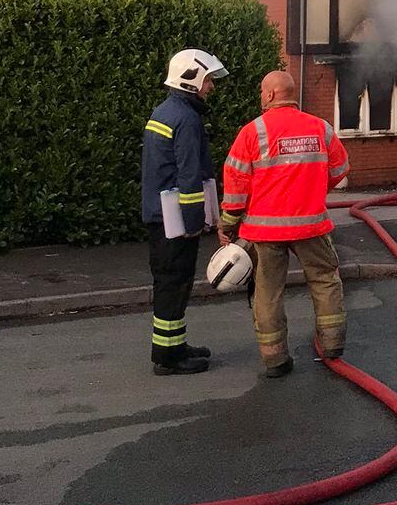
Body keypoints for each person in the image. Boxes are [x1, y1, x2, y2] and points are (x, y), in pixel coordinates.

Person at [218, 70, 350, 379]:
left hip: (265, 231)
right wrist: (315, 191)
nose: (261, 97)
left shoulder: (252, 132)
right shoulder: (321, 128)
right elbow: (341, 168)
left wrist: (228, 221)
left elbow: (236, 182)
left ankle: (275, 359)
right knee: (324, 278)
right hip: (311, 226)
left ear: (270, 95)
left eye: (262, 92)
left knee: (268, 290)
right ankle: (332, 345)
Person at [141, 48, 227, 376]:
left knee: (169, 284)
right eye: (207, 80)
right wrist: (195, 223)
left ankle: (173, 345)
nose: (211, 87)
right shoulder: (187, 119)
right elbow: (189, 176)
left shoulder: (164, 112)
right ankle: (168, 358)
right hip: (175, 222)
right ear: (190, 78)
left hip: (159, 217)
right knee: (174, 285)